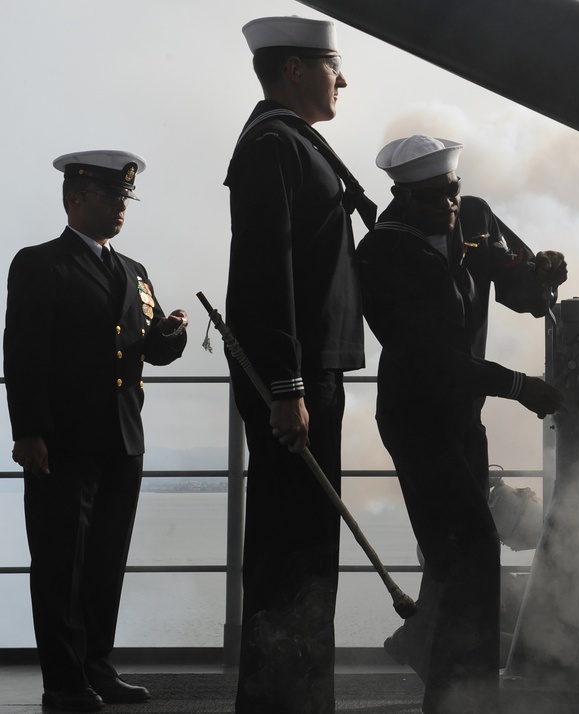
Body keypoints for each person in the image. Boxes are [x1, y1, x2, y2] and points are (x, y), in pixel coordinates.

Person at [357, 134, 563, 714]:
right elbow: (433, 360)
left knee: (456, 553)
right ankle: (461, 696)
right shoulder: (381, 254)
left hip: (462, 413)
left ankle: (443, 674)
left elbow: (520, 286)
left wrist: (546, 273)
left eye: (452, 191)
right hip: (416, 416)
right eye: (431, 199)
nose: (447, 207)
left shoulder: (471, 217)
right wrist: (521, 387)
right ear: (402, 196)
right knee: (471, 548)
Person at [223, 15, 376, 714]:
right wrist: (286, 387)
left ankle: (300, 696)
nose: (341, 79)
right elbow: (265, 271)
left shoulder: (295, 145)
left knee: (310, 545)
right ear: (293, 70)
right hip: (298, 378)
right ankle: (281, 701)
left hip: (313, 373)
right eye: (331, 66)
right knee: (293, 546)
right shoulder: (272, 148)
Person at [3, 150, 188, 712]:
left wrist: (173, 335)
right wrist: (29, 431)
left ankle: (97, 666)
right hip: (61, 441)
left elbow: (148, 349)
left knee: (106, 562)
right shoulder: (40, 264)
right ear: (75, 199)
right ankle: (63, 681)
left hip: (121, 440)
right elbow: (23, 353)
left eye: (124, 200)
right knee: (61, 564)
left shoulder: (134, 272)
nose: (120, 209)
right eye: (110, 199)